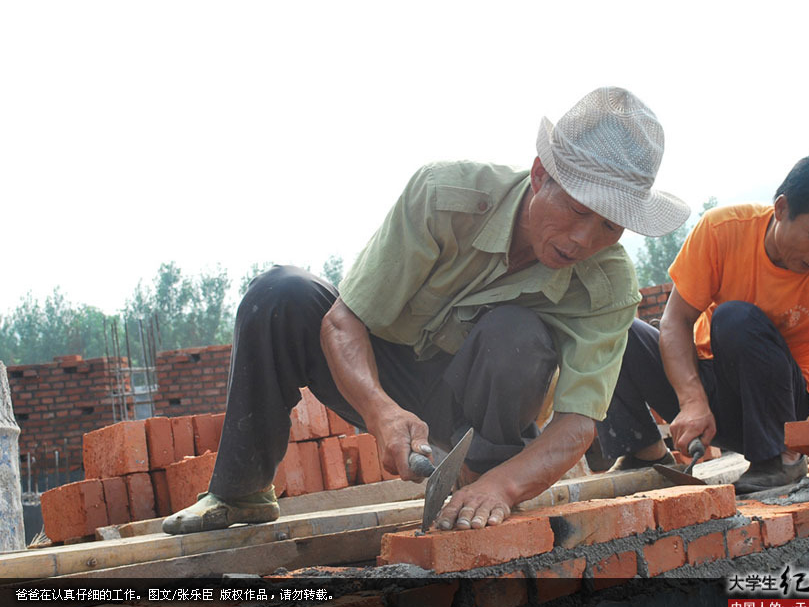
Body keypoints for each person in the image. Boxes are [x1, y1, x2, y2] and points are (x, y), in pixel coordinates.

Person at [162, 87, 689, 535]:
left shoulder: (608, 285)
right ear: (539, 175)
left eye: (609, 227)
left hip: (482, 412)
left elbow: (577, 425)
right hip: (386, 377)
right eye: (577, 210)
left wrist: (502, 487)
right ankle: (241, 492)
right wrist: (381, 411)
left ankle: (478, 480)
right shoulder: (445, 196)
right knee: (279, 295)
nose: (584, 239)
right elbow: (343, 322)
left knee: (517, 333)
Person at [596, 153, 809, 493]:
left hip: (784, 415)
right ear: (781, 209)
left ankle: (777, 461)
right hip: (713, 400)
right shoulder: (723, 231)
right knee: (617, 329)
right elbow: (675, 320)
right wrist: (692, 400)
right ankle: (645, 453)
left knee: (735, 319)